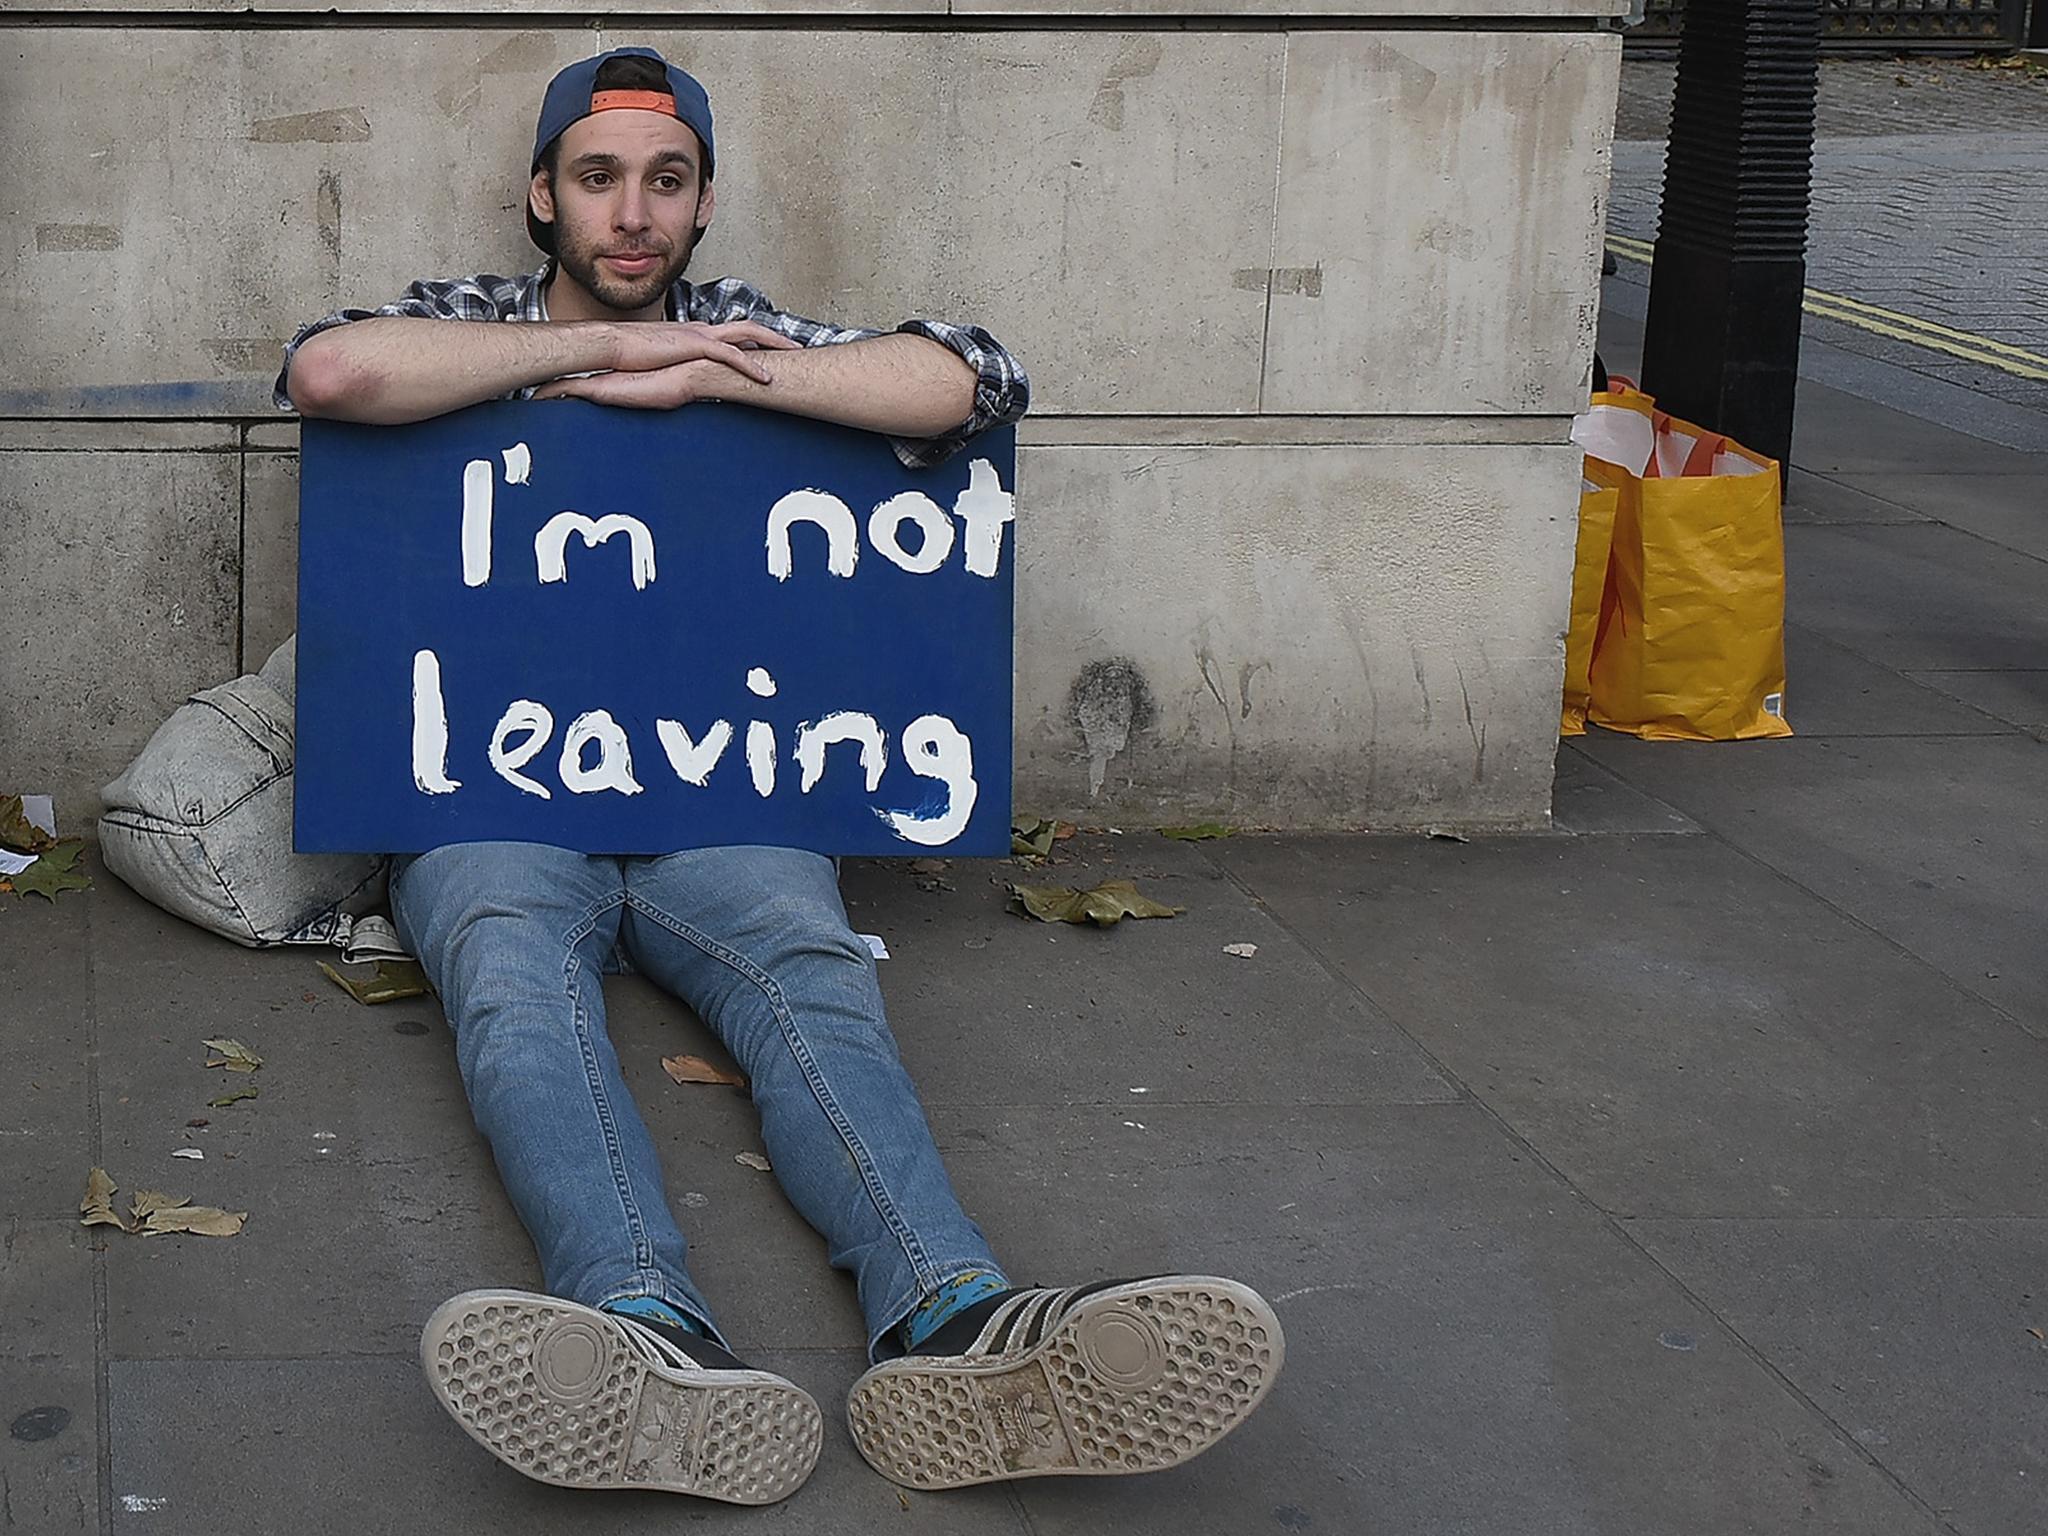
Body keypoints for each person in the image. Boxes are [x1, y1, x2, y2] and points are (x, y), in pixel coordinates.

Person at [278, 44, 1283, 1507]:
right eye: (601, 179)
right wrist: (598, 356)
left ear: (700, 208)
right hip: (492, 803)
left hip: (713, 800)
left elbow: (971, 378)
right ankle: (642, 1328)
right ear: (541, 197)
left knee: (809, 967)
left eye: (667, 184)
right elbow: (331, 372)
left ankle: (956, 1315)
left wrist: (731, 374)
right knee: (507, 969)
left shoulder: (745, 330)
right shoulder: (467, 320)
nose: (634, 215)